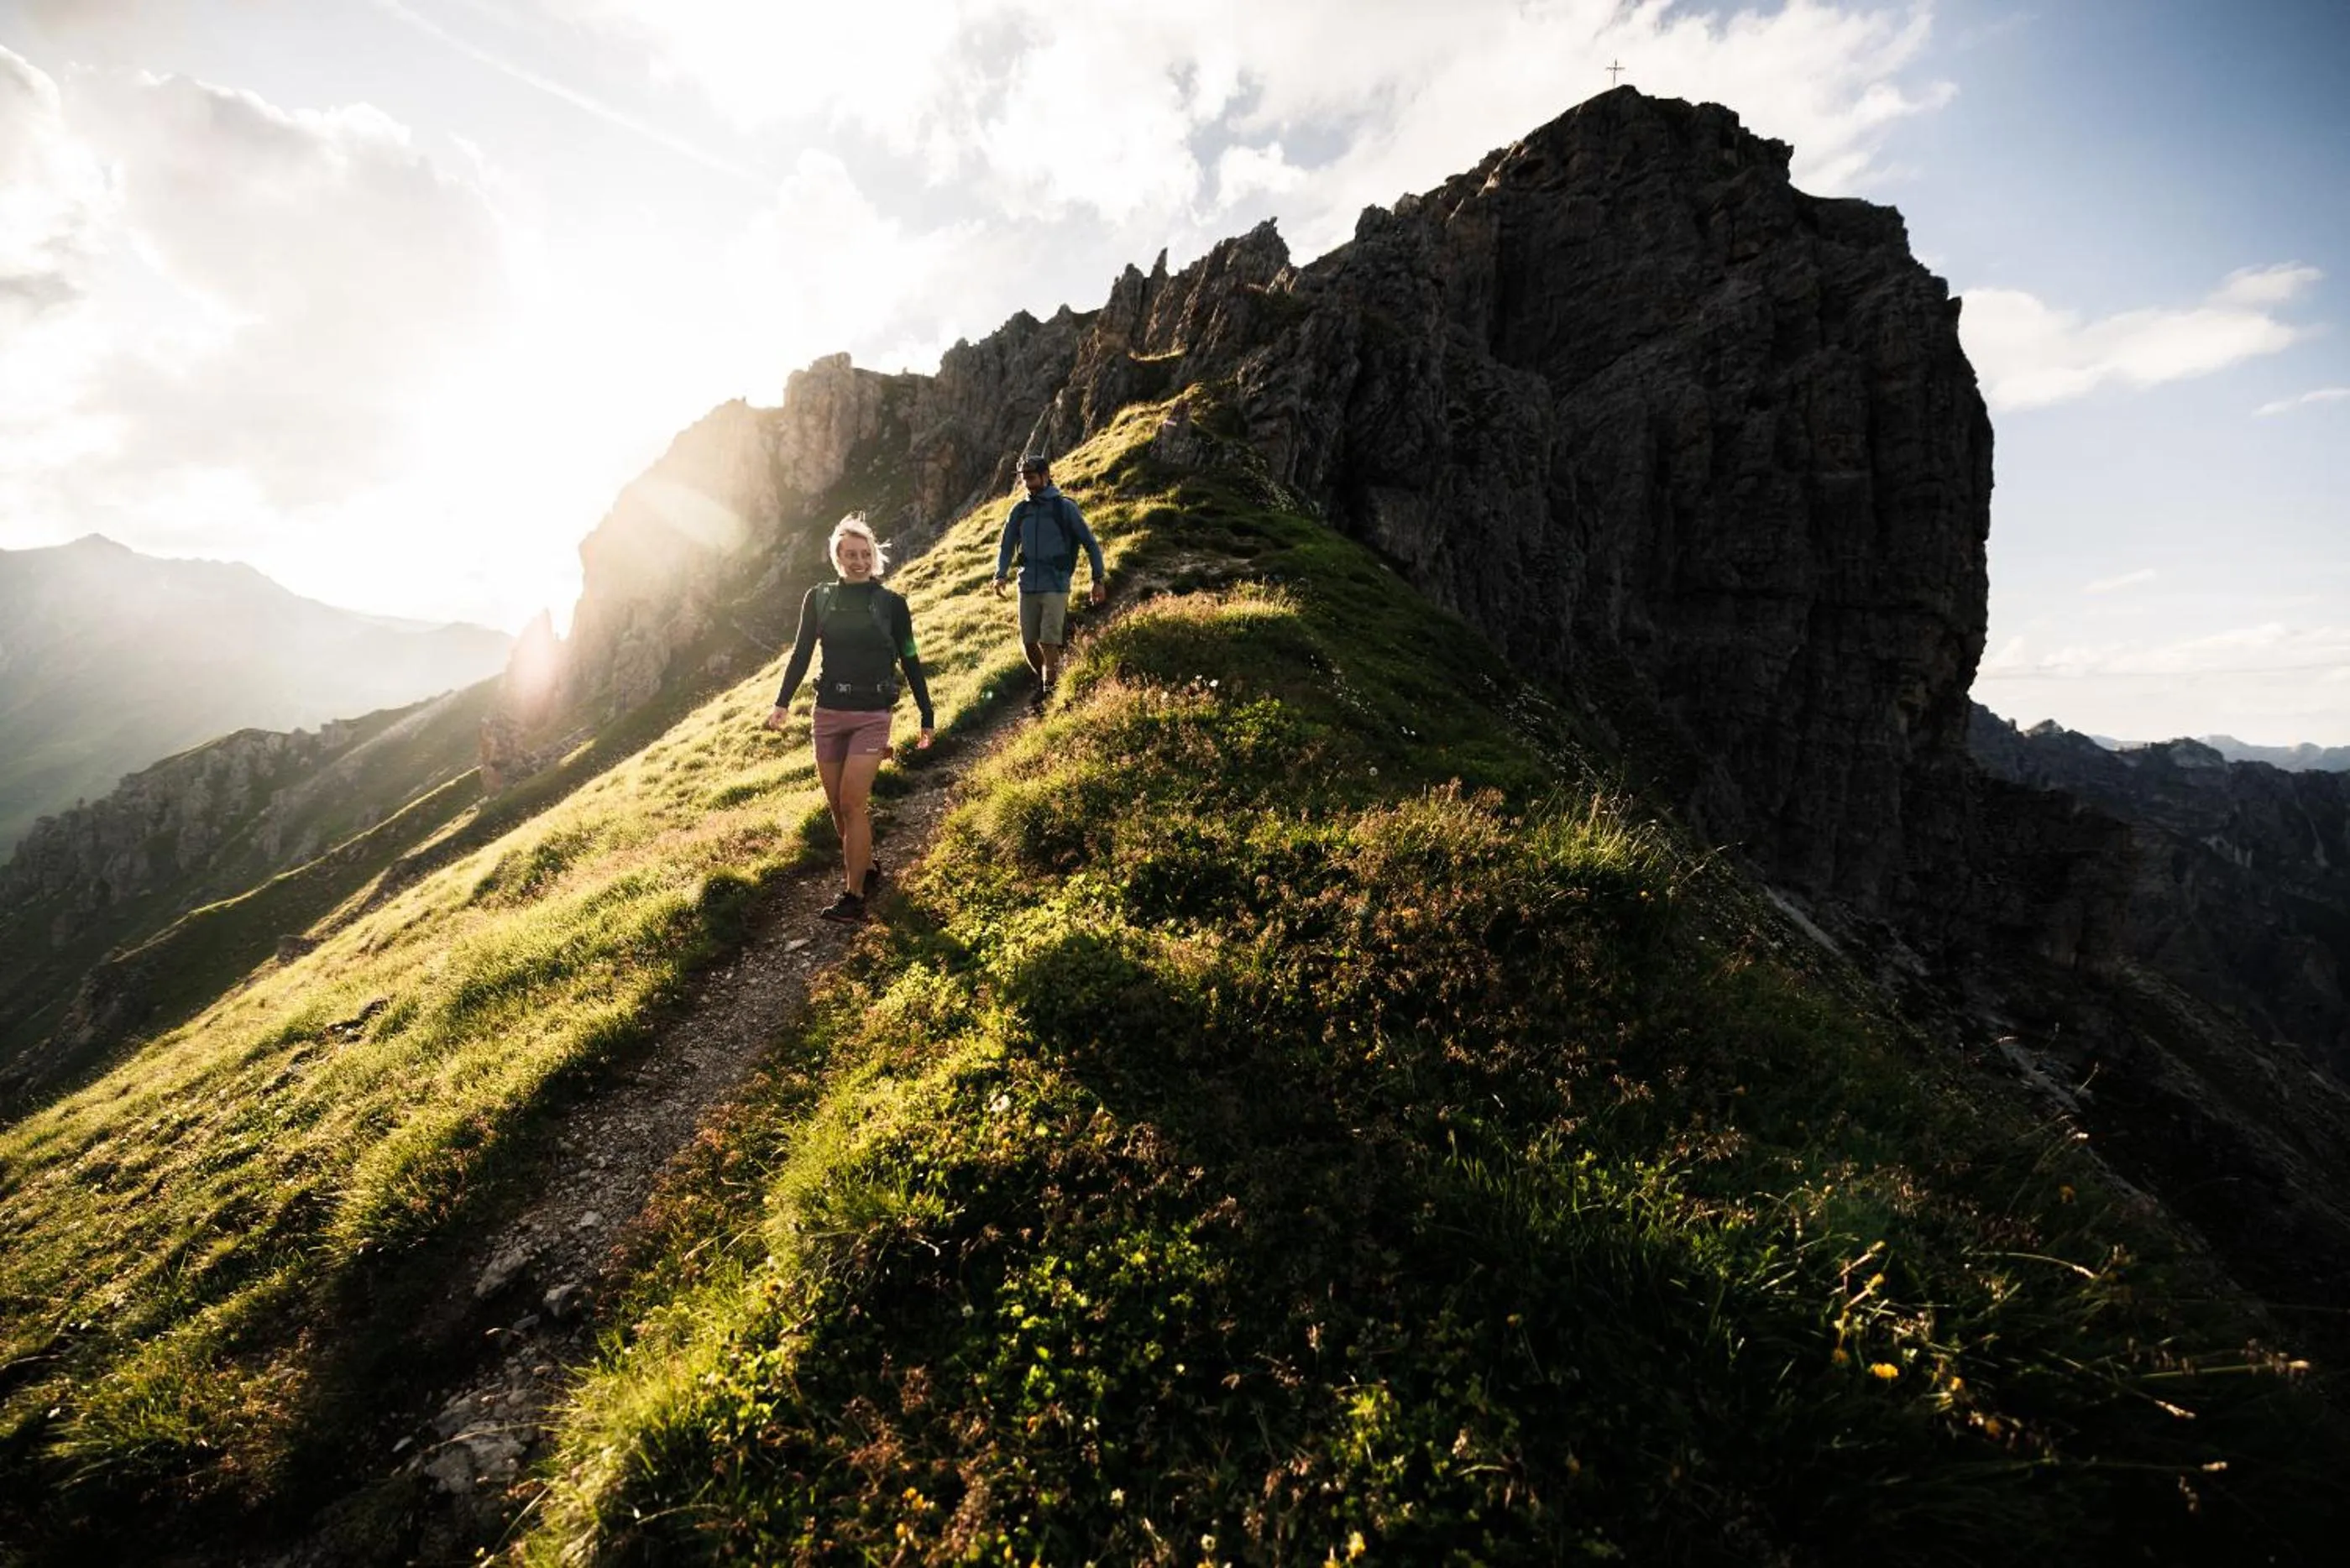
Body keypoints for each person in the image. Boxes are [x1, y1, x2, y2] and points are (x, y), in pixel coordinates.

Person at [764, 515, 934, 925]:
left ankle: (853, 896)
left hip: (872, 716)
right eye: (850, 554)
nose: (858, 561)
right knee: (838, 810)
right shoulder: (819, 598)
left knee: (852, 803)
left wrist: (926, 714)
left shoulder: (893, 605)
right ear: (837, 557)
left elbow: (909, 657)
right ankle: (868, 868)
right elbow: (802, 653)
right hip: (827, 715)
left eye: (865, 554)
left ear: (874, 557)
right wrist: (782, 702)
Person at [992, 453, 1106, 701]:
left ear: (1045, 476)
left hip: (1056, 583)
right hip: (1027, 583)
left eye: (1032, 477)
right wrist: (1000, 574)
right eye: (1024, 479)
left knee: (1048, 640)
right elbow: (1007, 544)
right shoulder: (1020, 510)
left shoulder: (1064, 508)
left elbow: (1090, 543)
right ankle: (1045, 678)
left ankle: (1050, 689)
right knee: (1028, 641)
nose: (1028, 483)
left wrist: (1098, 580)